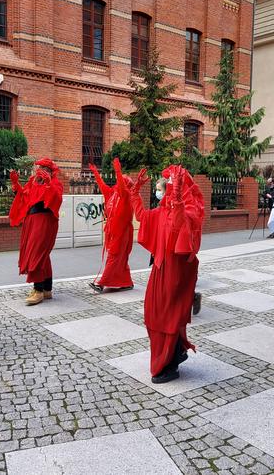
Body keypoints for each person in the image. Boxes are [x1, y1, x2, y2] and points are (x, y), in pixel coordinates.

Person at [129, 165, 204, 384]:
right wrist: (134, 192)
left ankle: (169, 362)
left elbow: (178, 226)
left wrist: (178, 197)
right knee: (153, 314)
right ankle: (175, 352)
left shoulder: (190, 211)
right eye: (166, 187)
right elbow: (142, 216)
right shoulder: (161, 211)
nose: (163, 191)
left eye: (167, 187)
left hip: (176, 273)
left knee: (168, 316)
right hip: (160, 270)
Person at [9, 158, 63, 305]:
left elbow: (57, 199)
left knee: (37, 253)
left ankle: (38, 290)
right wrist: (15, 184)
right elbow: (24, 197)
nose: (40, 171)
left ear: (51, 171)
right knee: (42, 256)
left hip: (45, 220)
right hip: (32, 220)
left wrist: (49, 183)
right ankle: (47, 289)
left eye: (45, 168)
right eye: (39, 168)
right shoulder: (33, 182)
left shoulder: (55, 183)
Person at [88, 158, 134, 292]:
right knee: (120, 258)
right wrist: (96, 173)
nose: (118, 183)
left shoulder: (125, 196)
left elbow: (121, 186)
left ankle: (101, 283)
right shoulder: (113, 195)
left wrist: (118, 171)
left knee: (114, 256)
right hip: (114, 231)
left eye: (121, 182)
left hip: (122, 233)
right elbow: (102, 186)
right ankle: (126, 282)